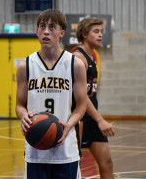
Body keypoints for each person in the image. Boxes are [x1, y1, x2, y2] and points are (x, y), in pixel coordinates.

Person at [16, 9, 87, 179]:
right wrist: (24, 115)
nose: (46, 31)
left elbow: (82, 105)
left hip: (66, 150)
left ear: (62, 33)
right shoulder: (25, 66)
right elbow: (19, 104)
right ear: (37, 32)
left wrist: (69, 124)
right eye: (42, 26)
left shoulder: (75, 65)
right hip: (35, 151)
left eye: (52, 27)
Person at [72, 18, 115, 179]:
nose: (100, 35)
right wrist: (100, 120)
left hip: (92, 117)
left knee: (107, 162)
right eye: (96, 31)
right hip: (78, 119)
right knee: (73, 168)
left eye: (101, 32)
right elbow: (81, 95)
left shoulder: (93, 56)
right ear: (84, 34)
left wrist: (96, 118)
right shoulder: (78, 57)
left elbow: (90, 92)